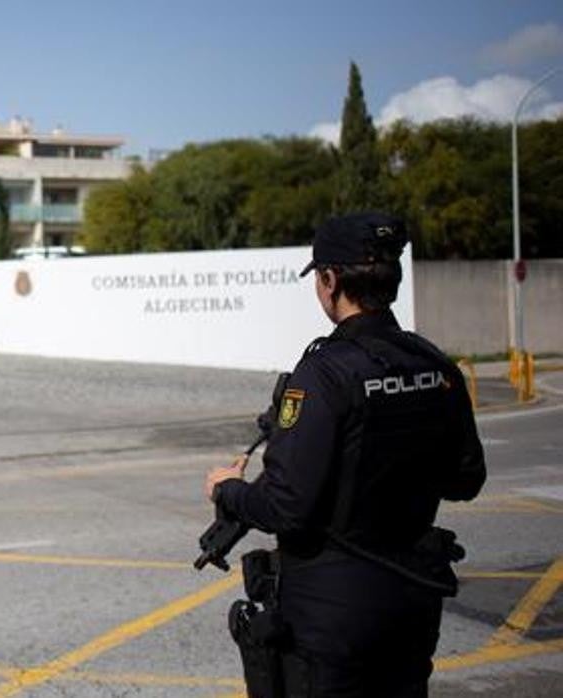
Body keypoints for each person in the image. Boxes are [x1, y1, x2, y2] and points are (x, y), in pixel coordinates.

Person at [204, 213, 485, 697]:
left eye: (319, 277)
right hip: (413, 601)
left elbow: (286, 507)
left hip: (333, 613)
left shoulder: (324, 374)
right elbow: (466, 480)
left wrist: (227, 491)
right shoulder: (435, 365)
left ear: (330, 280)